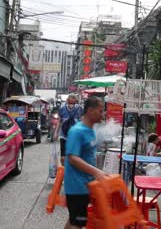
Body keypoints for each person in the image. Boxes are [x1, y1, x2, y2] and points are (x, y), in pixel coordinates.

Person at [64, 96, 108, 229]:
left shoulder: (90, 130)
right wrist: (96, 171)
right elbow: (72, 158)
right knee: (78, 222)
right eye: (100, 111)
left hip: (86, 185)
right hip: (77, 187)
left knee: (74, 220)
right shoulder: (77, 131)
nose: (103, 114)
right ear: (90, 111)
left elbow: (88, 155)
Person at [58, 94, 82, 165]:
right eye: (70, 103)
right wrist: (56, 133)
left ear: (76, 102)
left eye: (73, 103)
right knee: (63, 157)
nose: (71, 105)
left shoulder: (80, 109)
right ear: (67, 101)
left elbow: (82, 121)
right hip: (63, 136)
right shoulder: (62, 109)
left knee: (74, 157)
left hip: (75, 137)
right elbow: (59, 121)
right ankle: (64, 170)